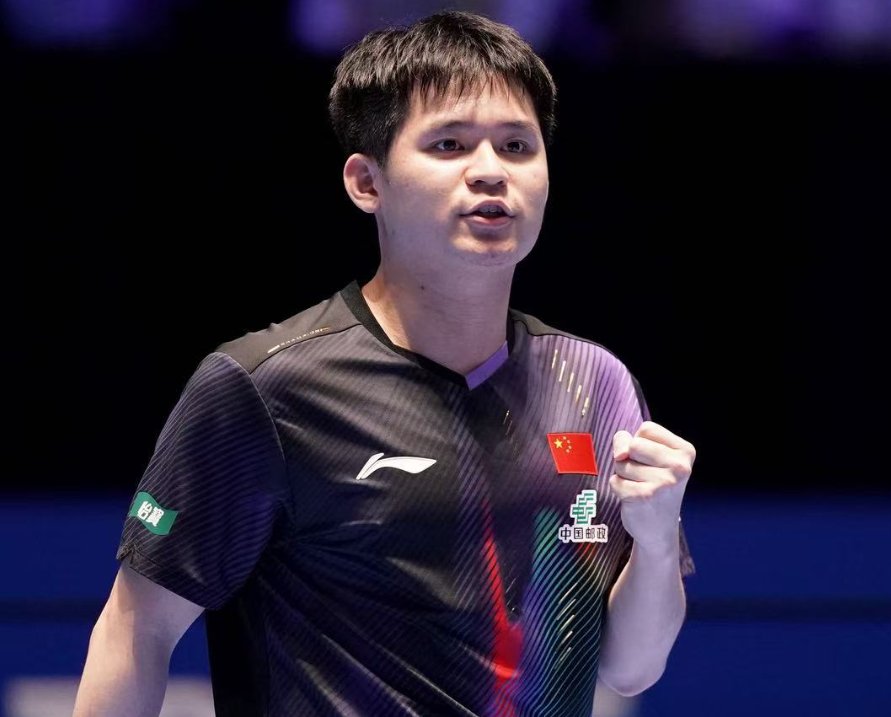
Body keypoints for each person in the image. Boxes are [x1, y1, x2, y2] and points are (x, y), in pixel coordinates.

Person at [73, 10, 697, 717]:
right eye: (449, 144)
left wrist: (654, 541)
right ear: (366, 182)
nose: (490, 171)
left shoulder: (594, 383)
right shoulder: (269, 387)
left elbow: (630, 667)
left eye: (517, 145)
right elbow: (136, 630)